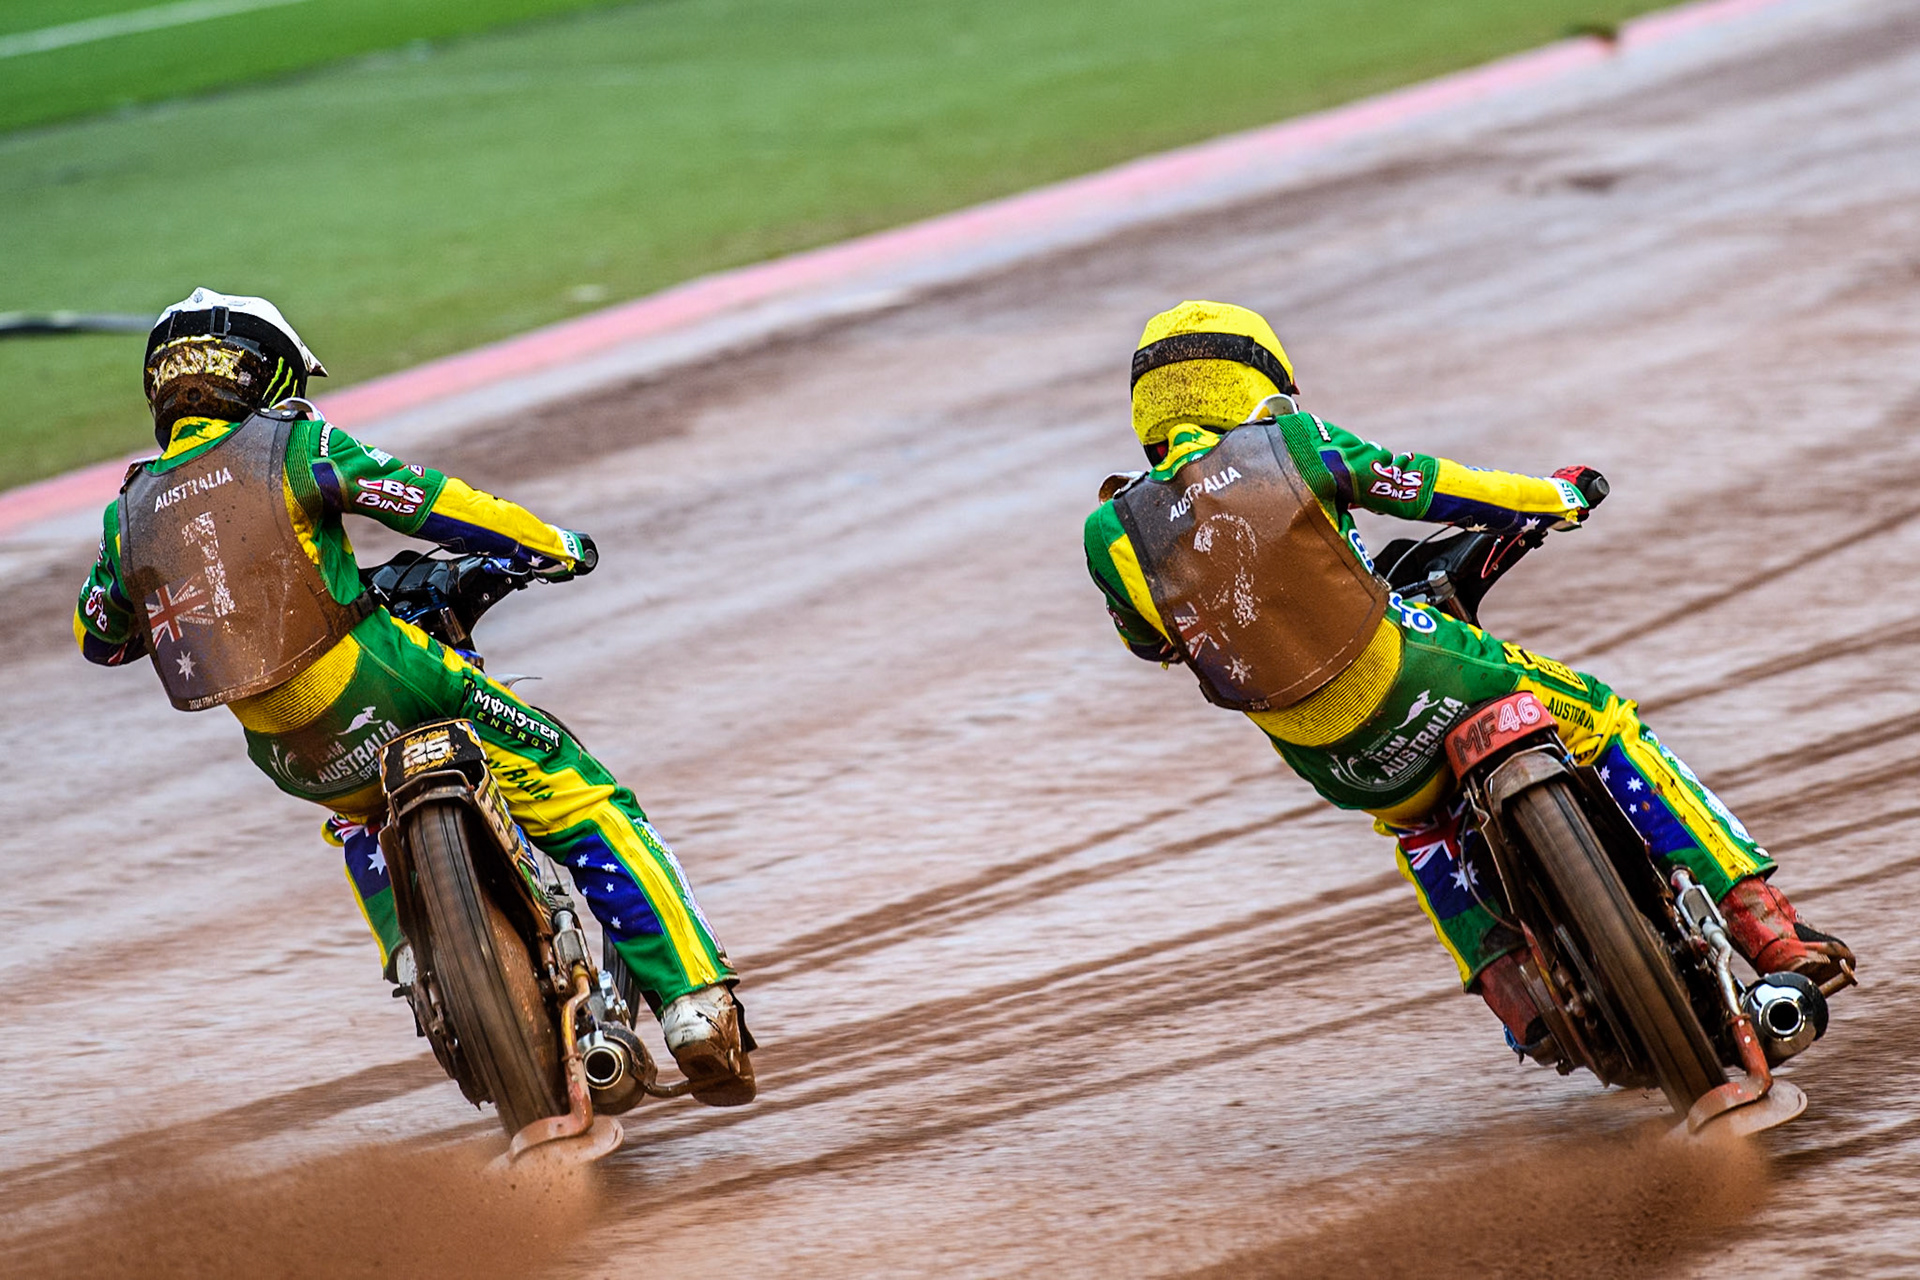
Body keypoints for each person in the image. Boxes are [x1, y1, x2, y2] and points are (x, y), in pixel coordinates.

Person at [1082, 299, 1853, 1061]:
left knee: (1419, 831)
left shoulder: (1112, 528)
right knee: (1603, 718)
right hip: (1420, 669)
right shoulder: (1292, 443)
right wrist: (1561, 497)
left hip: (1336, 760)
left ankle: (1522, 1003)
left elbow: (1150, 644)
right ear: (1255, 380)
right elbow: (1438, 487)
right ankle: (1769, 929)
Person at [74, 288, 753, 1105]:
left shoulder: (129, 512)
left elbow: (101, 637)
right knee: (576, 787)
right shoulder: (293, 444)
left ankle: (413, 963)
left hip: (292, 754)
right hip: (389, 676)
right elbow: (430, 501)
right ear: (268, 371)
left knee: (357, 817)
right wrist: (556, 546)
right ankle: (693, 1005)